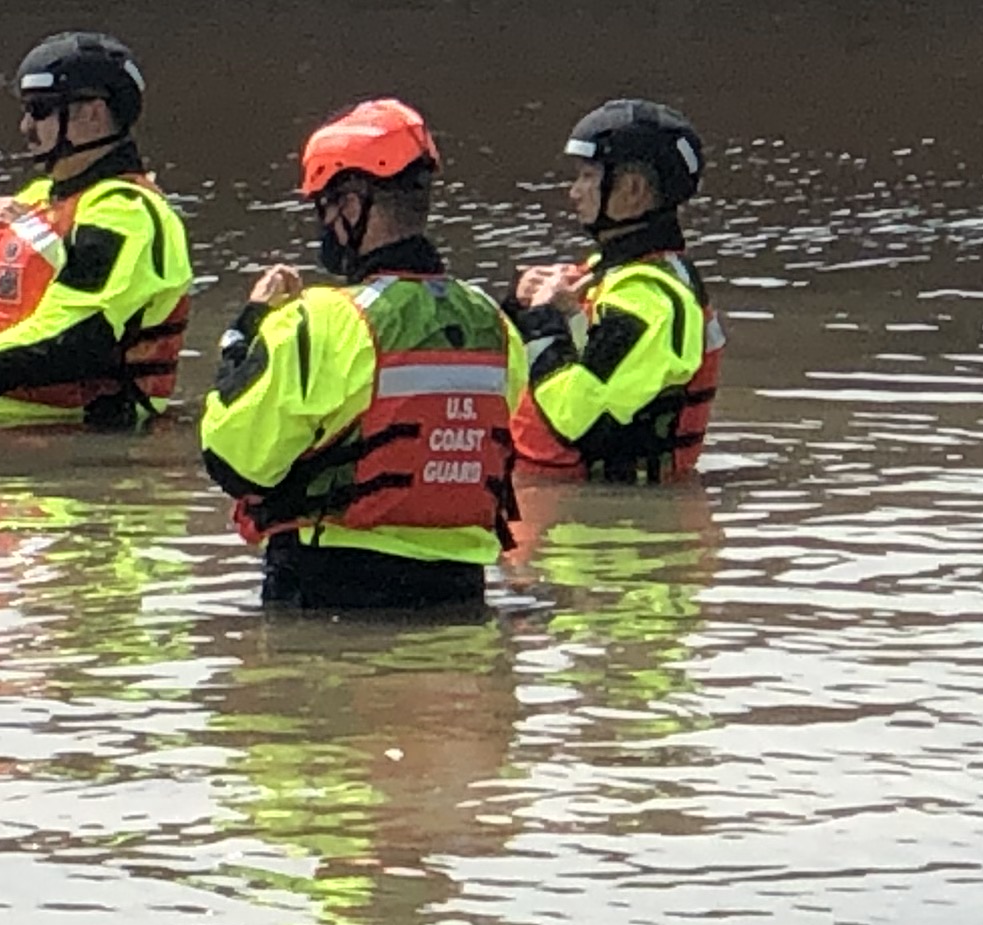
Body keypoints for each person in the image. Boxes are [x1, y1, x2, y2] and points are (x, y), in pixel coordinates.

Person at [197, 99, 525, 614]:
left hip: (327, 594)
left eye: (323, 206)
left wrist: (248, 327)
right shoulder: (493, 323)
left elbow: (234, 460)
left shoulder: (319, 320)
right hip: (460, 597)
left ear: (351, 206)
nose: (322, 223)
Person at [0, 30, 198, 430]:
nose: (26, 126)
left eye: (41, 109)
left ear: (93, 113)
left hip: (72, 435)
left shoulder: (124, 213)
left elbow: (77, 339)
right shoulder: (36, 198)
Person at [505, 98, 720, 483]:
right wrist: (518, 306)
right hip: (555, 504)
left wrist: (542, 323)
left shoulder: (649, 299)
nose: (574, 191)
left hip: (595, 534)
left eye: (588, 176)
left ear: (633, 189)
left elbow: (571, 415)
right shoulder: (609, 272)